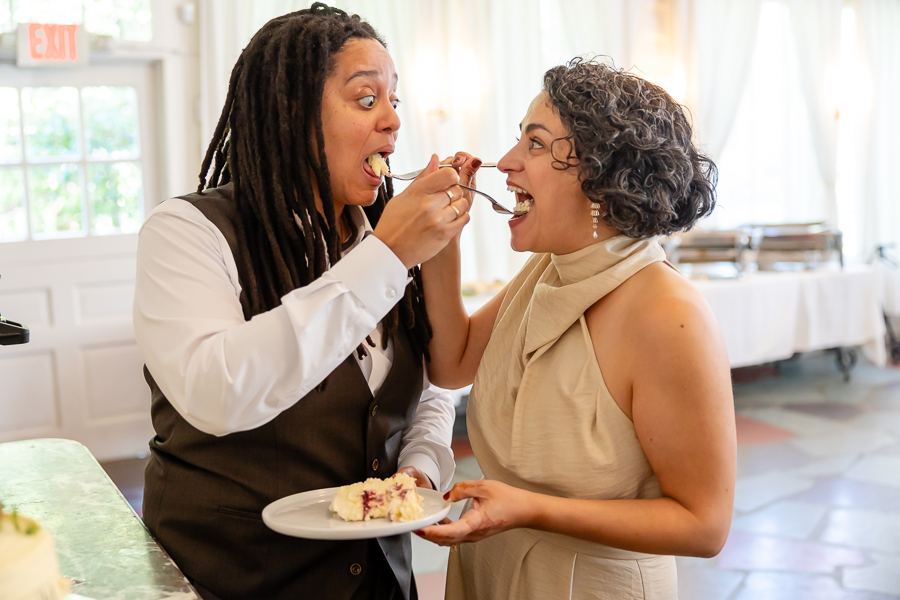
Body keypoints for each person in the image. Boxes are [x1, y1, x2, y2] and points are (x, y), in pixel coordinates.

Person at [132, 4, 473, 599]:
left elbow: (433, 386)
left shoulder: (383, 239)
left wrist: (420, 465)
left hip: (381, 583)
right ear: (291, 115)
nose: (393, 120)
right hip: (230, 579)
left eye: (394, 101)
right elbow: (219, 391)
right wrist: (389, 256)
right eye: (366, 99)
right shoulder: (186, 232)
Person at [417, 59, 736, 599]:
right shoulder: (548, 268)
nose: (507, 162)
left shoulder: (667, 313)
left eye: (536, 145)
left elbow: (705, 525)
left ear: (601, 175)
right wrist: (443, 236)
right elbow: (452, 362)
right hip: (491, 571)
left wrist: (531, 509)